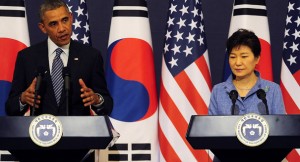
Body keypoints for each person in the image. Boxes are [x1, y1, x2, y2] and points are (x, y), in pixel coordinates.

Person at [5, 0, 113, 161]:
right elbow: (11, 107)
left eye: (65, 20)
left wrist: (96, 99)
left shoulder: (90, 56)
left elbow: (108, 105)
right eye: (53, 24)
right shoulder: (27, 58)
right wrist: (22, 99)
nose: (62, 29)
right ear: (43, 27)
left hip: (78, 150)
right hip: (38, 149)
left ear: (71, 18)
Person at [208, 29, 286, 115]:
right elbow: (211, 127)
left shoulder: (273, 90)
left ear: (257, 58)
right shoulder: (218, 91)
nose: (237, 63)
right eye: (233, 57)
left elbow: (281, 125)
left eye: (244, 56)